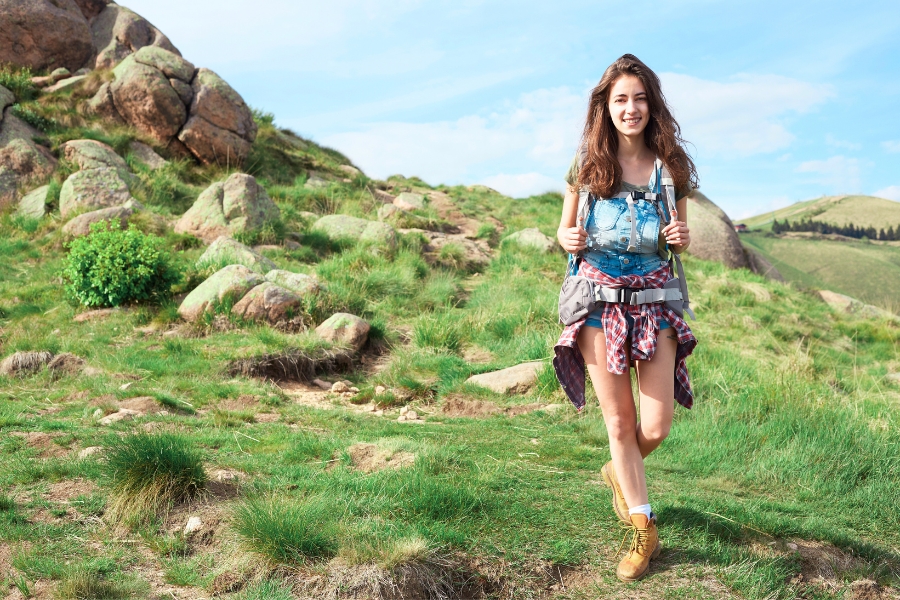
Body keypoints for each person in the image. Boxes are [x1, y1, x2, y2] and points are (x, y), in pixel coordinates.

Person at [553, 54, 699, 582]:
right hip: (597, 300)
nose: (630, 108)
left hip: (653, 299)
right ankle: (644, 526)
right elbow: (566, 233)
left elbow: (678, 235)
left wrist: (681, 236)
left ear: (651, 104)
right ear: (605, 107)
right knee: (618, 421)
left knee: (655, 425)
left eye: (639, 98)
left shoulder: (671, 165)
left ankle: (620, 471)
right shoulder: (587, 164)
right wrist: (565, 237)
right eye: (620, 99)